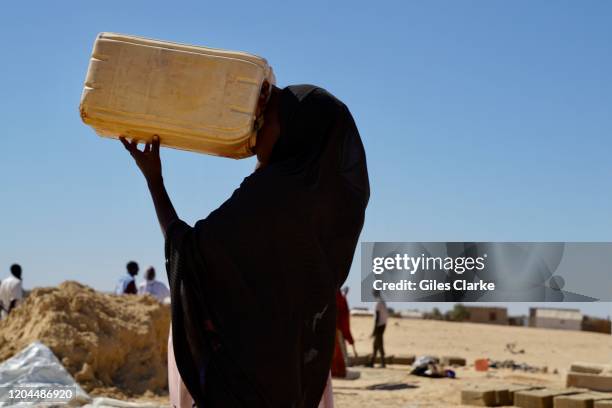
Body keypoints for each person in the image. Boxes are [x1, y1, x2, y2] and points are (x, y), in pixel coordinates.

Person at [120, 80, 369, 407]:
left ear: (292, 132)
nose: (255, 130)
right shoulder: (326, 212)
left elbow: (190, 251)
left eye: (264, 120)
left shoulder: (269, 199)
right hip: (294, 385)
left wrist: (154, 181)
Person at [367, 289, 388, 368]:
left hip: (379, 326)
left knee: (379, 344)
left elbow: (377, 318)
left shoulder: (378, 303)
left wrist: (374, 331)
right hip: (383, 324)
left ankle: (383, 363)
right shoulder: (382, 301)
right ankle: (372, 362)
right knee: (375, 344)